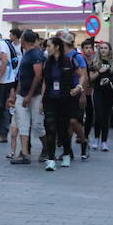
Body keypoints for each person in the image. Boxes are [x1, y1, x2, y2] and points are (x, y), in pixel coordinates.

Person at [39, 36, 82, 172]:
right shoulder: (47, 63)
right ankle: (51, 160)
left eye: (49, 46)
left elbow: (82, 75)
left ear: (57, 47)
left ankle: (67, 154)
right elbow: (45, 82)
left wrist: (79, 87)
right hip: (50, 99)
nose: (47, 49)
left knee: (63, 129)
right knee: (50, 128)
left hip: (65, 100)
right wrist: (41, 100)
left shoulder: (70, 61)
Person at [9, 31, 44, 165]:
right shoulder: (26, 54)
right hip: (22, 93)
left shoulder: (35, 54)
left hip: (33, 95)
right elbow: (21, 77)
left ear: (24, 40)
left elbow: (38, 75)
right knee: (22, 123)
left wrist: (29, 95)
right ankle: (24, 152)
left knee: (37, 124)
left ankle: (46, 148)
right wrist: (16, 93)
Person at [61, 35, 91, 160]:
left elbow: (84, 76)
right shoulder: (61, 57)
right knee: (65, 123)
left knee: (73, 121)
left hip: (76, 92)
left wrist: (83, 94)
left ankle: (83, 141)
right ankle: (68, 150)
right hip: (64, 92)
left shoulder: (77, 57)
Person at [90, 41, 113, 151]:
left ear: (109, 50)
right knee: (98, 115)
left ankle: (104, 142)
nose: (103, 50)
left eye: (105, 48)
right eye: (101, 48)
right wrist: (99, 71)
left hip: (109, 93)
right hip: (98, 92)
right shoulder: (95, 62)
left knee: (106, 117)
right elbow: (90, 78)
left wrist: (110, 80)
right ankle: (96, 139)